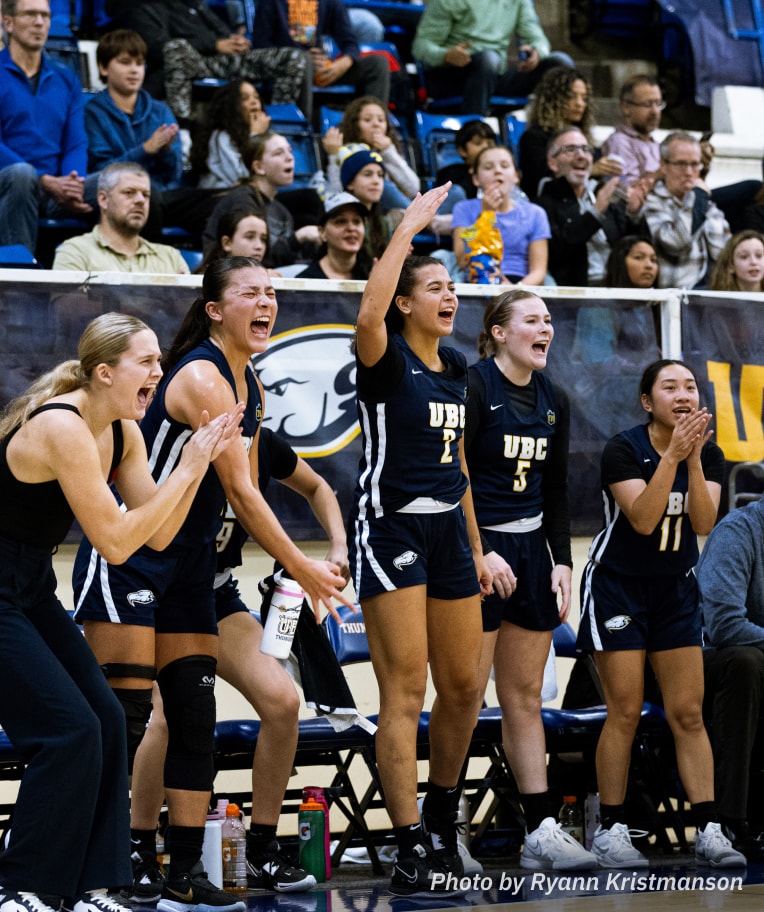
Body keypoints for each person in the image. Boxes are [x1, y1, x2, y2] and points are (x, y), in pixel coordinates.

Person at [71, 259, 353, 910]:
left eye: (273, 293)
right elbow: (245, 495)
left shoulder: (248, 380)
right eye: (251, 292)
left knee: (197, 716)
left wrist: (289, 568)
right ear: (215, 309)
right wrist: (305, 566)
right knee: (131, 718)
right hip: (135, 557)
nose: (268, 302)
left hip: (196, 567)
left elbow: (249, 499)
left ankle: (185, 870)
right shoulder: (202, 375)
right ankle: (112, 862)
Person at [0, 311, 242, 912]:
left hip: (27, 587)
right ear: (104, 373)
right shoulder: (63, 427)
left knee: (107, 719)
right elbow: (115, 542)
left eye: (160, 361)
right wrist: (186, 468)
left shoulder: (123, 431)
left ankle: (94, 885)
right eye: (147, 362)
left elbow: (158, 535)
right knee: (69, 731)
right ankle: (23, 886)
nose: (160, 373)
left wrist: (196, 468)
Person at [124, 424, 351, 899]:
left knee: (283, 701)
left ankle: (262, 847)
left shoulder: (262, 445)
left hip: (216, 591)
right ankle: (139, 847)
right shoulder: (189, 443)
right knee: (164, 719)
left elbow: (318, 486)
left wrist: (338, 546)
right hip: (165, 590)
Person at [348, 185, 491, 897]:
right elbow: (369, 310)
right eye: (434, 287)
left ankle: (440, 816)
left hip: (447, 530)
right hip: (390, 524)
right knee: (405, 688)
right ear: (407, 302)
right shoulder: (382, 358)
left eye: (451, 287)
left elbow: (460, 466)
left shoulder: (458, 369)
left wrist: (478, 545)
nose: (449, 295)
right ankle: (408, 845)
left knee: (464, 686)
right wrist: (406, 229)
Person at [577, 358, 746, 869]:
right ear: (648, 402)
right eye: (669, 387)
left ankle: (710, 828)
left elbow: (703, 522)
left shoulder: (710, 454)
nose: (683, 394)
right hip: (618, 590)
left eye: (690, 386)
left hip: (673, 590)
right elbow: (646, 520)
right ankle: (611, 830)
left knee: (688, 713)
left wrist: (692, 459)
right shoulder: (623, 449)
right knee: (624, 712)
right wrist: (672, 455)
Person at [464, 290, 597, 871]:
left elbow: (558, 490)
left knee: (523, 696)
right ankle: (444, 827)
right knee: (465, 693)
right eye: (532, 320)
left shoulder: (554, 398)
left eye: (549, 321)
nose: (545, 329)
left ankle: (540, 826)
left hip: (532, 550)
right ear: (498, 331)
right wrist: (480, 551)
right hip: (474, 551)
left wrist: (561, 559)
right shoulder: (472, 387)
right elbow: (456, 477)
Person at [601, 74, 760, 232]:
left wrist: (698, 165)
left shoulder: (654, 143)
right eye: (647, 104)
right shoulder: (619, 142)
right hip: (657, 210)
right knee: (752, 189)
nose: (655, 111)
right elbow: (626, 192)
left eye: (658, 104)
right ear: (626, 107)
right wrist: (669, 170)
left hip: (683, 200)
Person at [697, 495, 764, 860]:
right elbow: (724, 626)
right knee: (745, 663)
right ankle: (729, 820)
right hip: (701, 662)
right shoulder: (739, 531)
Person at [0, 0, 96, 255]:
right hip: (11, 184)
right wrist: (44, 180)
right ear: (8, 22)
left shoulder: (66, 77)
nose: (40, 22)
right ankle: (16, 280)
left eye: (45, 15)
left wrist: (73, 181)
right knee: (21, 174)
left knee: (122, 184)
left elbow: (75, 141)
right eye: (30, 14)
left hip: (59, 188)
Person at [126, 0, 310, 123]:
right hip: (187, 64)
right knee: (176, 48)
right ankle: (180, 127)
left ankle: (279, 125)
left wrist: (236, 42)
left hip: (221, 63)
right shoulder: (145, 8)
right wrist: (213, 44)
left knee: (293, 58)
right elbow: (156, 48)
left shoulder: (194, 4)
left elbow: (223, 32)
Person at [412, 0, 573, 116]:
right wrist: (445, 55)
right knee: (488, 60)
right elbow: (421, 46)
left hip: (495, 76)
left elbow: (537, 38)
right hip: (453, 76)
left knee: (560, 64)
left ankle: (560, 137)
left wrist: (536, 52)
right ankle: (474, 134)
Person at [538, 127, 646, 287]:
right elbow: (558, 251)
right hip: (576, 293)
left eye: (586, 149)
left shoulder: (605, 193)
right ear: (553, 163)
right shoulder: (544, 203)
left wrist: (634, 214)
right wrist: (596, 212)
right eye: (570, 149)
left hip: (617, 287)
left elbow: (629, 246)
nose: (581, 155)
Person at [250, 0, 391, 121]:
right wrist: (299, 56)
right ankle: (302, 131)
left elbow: (350, 43)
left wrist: (341, 64)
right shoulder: (270, 2)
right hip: (287, 70)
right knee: (303, 60)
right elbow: (260, 45)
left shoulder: (329, 2)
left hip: (321, 69)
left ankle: (374, 126)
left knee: (378, 64)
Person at [202, 132, 322, 267]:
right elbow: (246, 256)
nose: (290, 158)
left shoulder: (282, 211)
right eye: (278, 153)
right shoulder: (242, 201)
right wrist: (299, 237)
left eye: (289, 151)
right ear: (259, 167)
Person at [52, 162, 190, 273]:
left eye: (146, 195)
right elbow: (65, 306)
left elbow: (191, 307)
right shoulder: (75, 251)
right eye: (129, 192)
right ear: (103, 199)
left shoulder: (171, 257)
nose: (140, 200)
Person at [518, 66, 623, 201]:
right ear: (553, 99)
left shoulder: (586, 142)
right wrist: (589, 171)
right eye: (571, 97)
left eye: (584, 98)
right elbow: (540, 185)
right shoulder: (533, 139)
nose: (580, 104)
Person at [451, 144, 550, 285]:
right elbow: (462, 259)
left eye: (504, 166)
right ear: (476, 179)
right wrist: (486, 214)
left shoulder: (536, 213)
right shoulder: (463, 209)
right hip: (478, 279)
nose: (498, 171)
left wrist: (515, 291)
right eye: (488, 167)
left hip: (521, 284)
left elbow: (539, 271)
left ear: (516, 176)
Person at [644, 131, 731, 289]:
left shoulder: (707, 205)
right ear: (663, 166)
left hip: (713, 299)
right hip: (676, 300)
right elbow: (675, 243)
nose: (689, 172)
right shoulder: (652, 203)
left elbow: (725, 255)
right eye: (681, 164)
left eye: (694, 164)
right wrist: (697, 198)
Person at [322, 95, 419, 210]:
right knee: (381, 185)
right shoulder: (346, 151)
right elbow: (336, 196)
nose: (376, 124)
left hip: (390, 214)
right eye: (367, 120)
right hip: (358, 211)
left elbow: (413, 188)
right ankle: (427, 220)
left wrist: (389, 152)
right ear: (355, 125)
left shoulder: (389, 151)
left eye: (381, 120)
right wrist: (334, 156)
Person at [190, 80, 271, 190]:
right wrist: (255, 136)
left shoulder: (264, 134)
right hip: (219, 198)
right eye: (245, 98)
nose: (254, 102)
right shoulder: (221, 137)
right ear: (232, 107)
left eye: (256, 97)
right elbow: (240, 179)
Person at [297, 192, 373, 280]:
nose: (351, 228)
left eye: (356, 221)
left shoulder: (373, 273)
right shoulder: (306, 281)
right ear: (322, 232)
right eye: (341, 221)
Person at [336, 145, 393, 261]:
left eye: (380, 175)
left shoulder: (384, 222)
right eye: (368, 174)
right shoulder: (336, 219)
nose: (376, 181)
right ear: (350, 183)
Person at [434, 119, 497, 216]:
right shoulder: (451, 174)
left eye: (490, 143)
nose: (485, 147)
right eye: (478, 143)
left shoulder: (499, 173)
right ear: (462, 150)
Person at [197, 206, 270, 274]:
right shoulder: (208, 280)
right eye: (250, 237)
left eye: (263, 239)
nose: (259, 246)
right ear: (227, 243)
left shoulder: (268, 276)